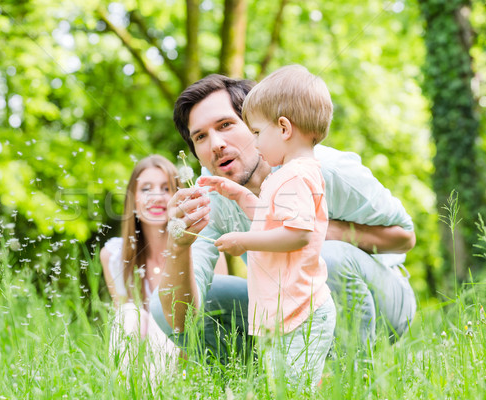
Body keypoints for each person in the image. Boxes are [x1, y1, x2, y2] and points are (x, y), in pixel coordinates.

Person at [150, 72, 416, 365]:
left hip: (384, 304)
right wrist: (178, 246)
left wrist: (320, 230)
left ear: (257, 125)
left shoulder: (322, 169)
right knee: (161, 305)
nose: (216, 144)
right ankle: (261, 384)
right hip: (289, 310)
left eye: (225, 125)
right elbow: (180, 320)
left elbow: (404, 237)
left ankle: (348, 378)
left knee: (329, 256)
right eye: (200, 136)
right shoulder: (210, 198)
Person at [198, 65, 336, 386]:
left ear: (284, 128)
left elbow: (298, 234)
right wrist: (240, 195)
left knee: (294, 389)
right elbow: (271, 217)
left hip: (301, 312)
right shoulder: (288, 174)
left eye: (258, 133)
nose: (254, 143)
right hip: (287, 311)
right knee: (284, 386)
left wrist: (245, 242)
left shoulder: (295, 176)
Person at [100, 155, 182, 377]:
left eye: (166, 189)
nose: (157, 197)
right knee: (128, 313)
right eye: (146, 189)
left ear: (178, 197)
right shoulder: (114, 256)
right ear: (133, 199)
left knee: (160, 320)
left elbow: (215, 319)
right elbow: (126, 333)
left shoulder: (200, 248)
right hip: (142, 366)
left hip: (188, 359)